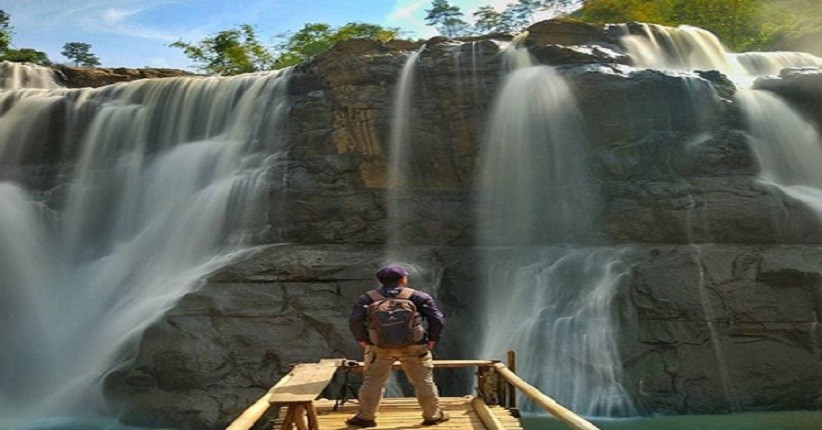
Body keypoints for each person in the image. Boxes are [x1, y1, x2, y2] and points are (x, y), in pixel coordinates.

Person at [346, 265, 450, 428]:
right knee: (423, 381)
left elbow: (355, 320)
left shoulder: (367, 298)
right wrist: (432, 339)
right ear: (403, 280)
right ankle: (433, 415)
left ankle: (365, 417)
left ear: (380, 281)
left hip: (379, 347)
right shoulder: (418, 297)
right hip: (414, 346)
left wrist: (363, 340)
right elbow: (436, 319)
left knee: (373, 381)